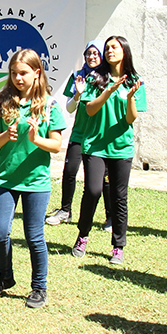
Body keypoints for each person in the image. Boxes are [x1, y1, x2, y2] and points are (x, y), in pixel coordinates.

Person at [0, 50, 66, 308]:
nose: (18, 78)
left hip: (35, 183)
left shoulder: (50, 105)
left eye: (23, 73)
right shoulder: (3, 102)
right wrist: (6, 135)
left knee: (34, 236)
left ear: (37, 73)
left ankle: (39, 288)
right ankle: (5, 277)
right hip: (5, 180)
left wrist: (36, 139)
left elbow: (56, 145)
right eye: (13, 73)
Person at [72, 35, 145, 265]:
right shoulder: (95, 77)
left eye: (114, 47)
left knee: (118, 196)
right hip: (95, 145)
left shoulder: (135, 80)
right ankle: (82, 236)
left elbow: (131, 117)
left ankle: (118, 246)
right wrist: (109, 90)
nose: (109, 50)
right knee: (93, 191)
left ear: (125, 50)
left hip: (121, 147)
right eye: (107, 48)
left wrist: (130, 97)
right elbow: (91, 110)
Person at [46, 41, 109, 226]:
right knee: (70, 172)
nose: (91, 57)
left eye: (95, 53)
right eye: (88, 53)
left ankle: (110, 217)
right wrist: (78, 95)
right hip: (79, 134)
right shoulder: (77, 76)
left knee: (103, 178)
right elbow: (70, 107)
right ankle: (65, 211)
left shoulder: (108, 78)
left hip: (100, 137)